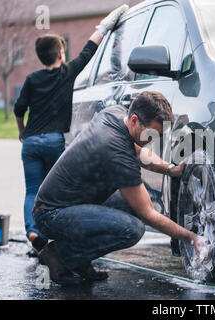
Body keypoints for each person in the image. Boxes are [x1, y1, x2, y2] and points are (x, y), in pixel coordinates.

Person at [33, 92, 201, 285]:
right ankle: (59, 255)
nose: (153, 140)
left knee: (134, 203)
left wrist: (172, 170)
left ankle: (79, 260)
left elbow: (139, 154)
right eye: (151, 134)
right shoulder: (115, 151)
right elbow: (147, 214)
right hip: (52, 215)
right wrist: (191, 238)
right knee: (132, 229)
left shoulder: (116, 114)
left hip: (69, 203)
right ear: (135, 120)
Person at [13, 5, 129, 255]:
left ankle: (33, 232)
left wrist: (22, 131)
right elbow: (90, 49)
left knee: (32, 190)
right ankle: (54, 239)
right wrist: (107, 24)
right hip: (54, 142)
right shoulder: (67, 73)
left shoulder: (32, 79)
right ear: (61, 53)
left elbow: (18, 108)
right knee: (52, 192)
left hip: (31, 143)